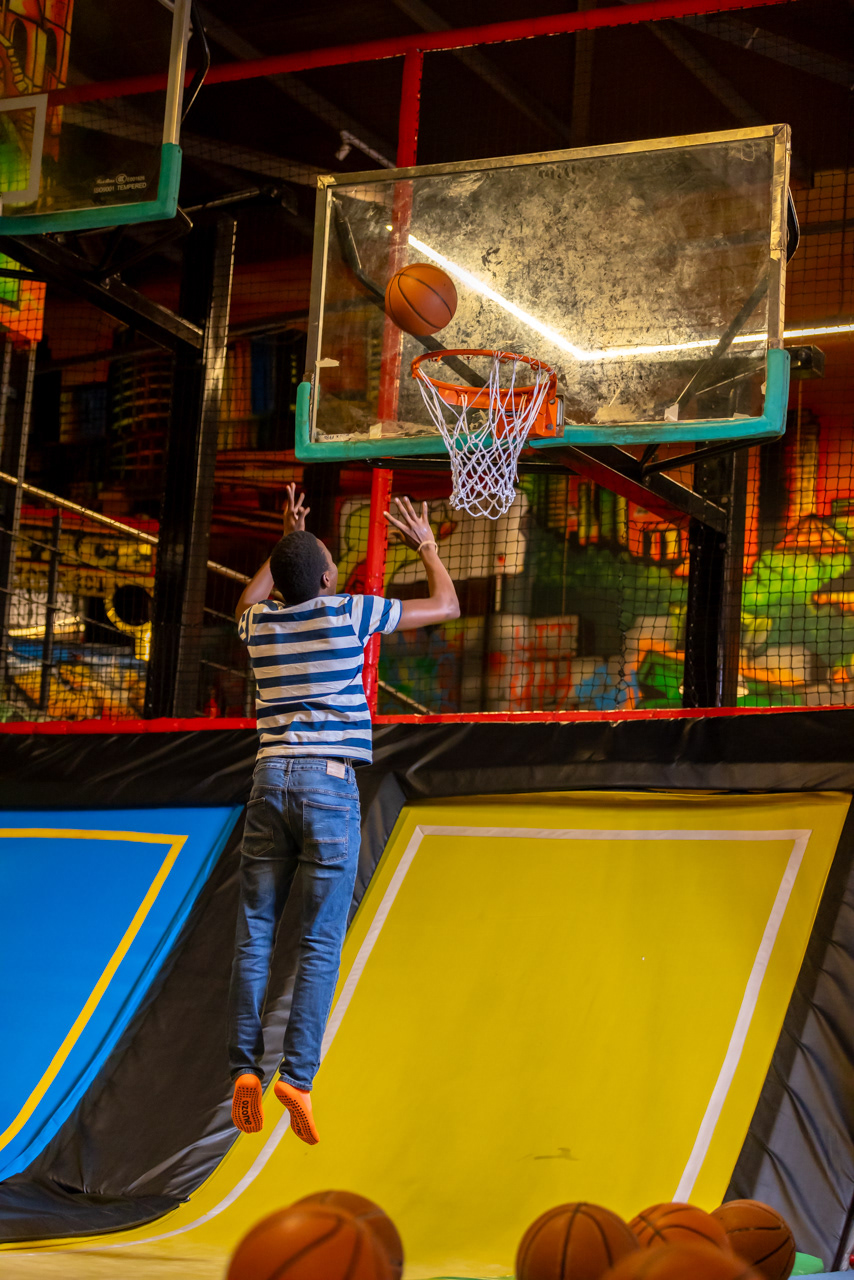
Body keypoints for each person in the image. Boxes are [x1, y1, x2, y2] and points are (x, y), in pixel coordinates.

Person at [229, 483, 459, 1142]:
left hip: (268, 782)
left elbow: (247, 599)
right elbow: (446, 604)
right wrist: (426, 545)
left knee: (255, 933)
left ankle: (244, 1069)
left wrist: (285, 544)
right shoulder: (347, 612)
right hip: (329, 786)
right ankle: (297, 1077)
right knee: (319, 940)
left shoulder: (259, 625)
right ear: (329, 579)